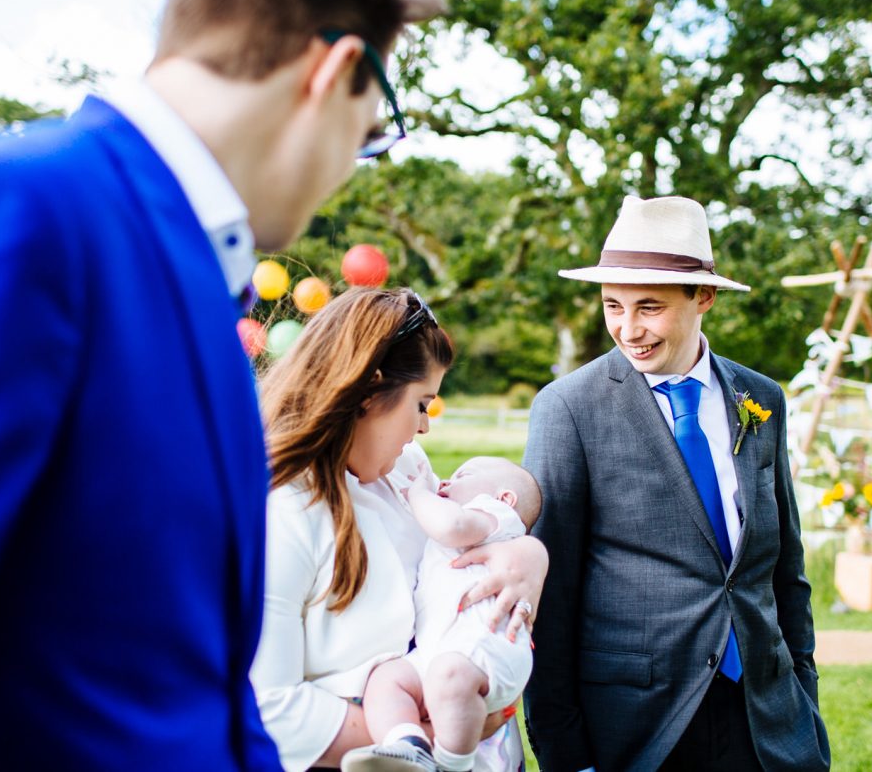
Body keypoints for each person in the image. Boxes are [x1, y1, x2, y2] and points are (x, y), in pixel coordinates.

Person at [0, 0, 442, 770]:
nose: (358, 159)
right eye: (376, 130)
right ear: (336, 69)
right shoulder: (19, 214)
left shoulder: (202, 280)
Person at [522, 196, 831, 772]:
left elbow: (784, 565)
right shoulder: (568, 408)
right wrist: (566, 753)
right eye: (613, 306)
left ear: (704, 297)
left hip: (764, 717)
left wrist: (804, 697)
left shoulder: (761, 399)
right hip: (638, 723)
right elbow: (550, 591)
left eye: (649, 307)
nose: (628, 329)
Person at [251, 289, 547, 772]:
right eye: (422, 404)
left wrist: (528, 557)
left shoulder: (406, 471)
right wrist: (432, 735)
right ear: (368, 392)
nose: (425, 428)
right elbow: (270, 707)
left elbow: (465, 551)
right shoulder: (281, 513)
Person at [345, 457, 542, 772]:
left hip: (483, 648)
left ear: (505, 498)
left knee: (449, 675)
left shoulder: (497, 516)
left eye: (463, 475)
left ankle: (452, 765)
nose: (446, 482)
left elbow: (451, 525)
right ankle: (408, 744)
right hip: (439, 649)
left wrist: (419, 492)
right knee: (388, 680)